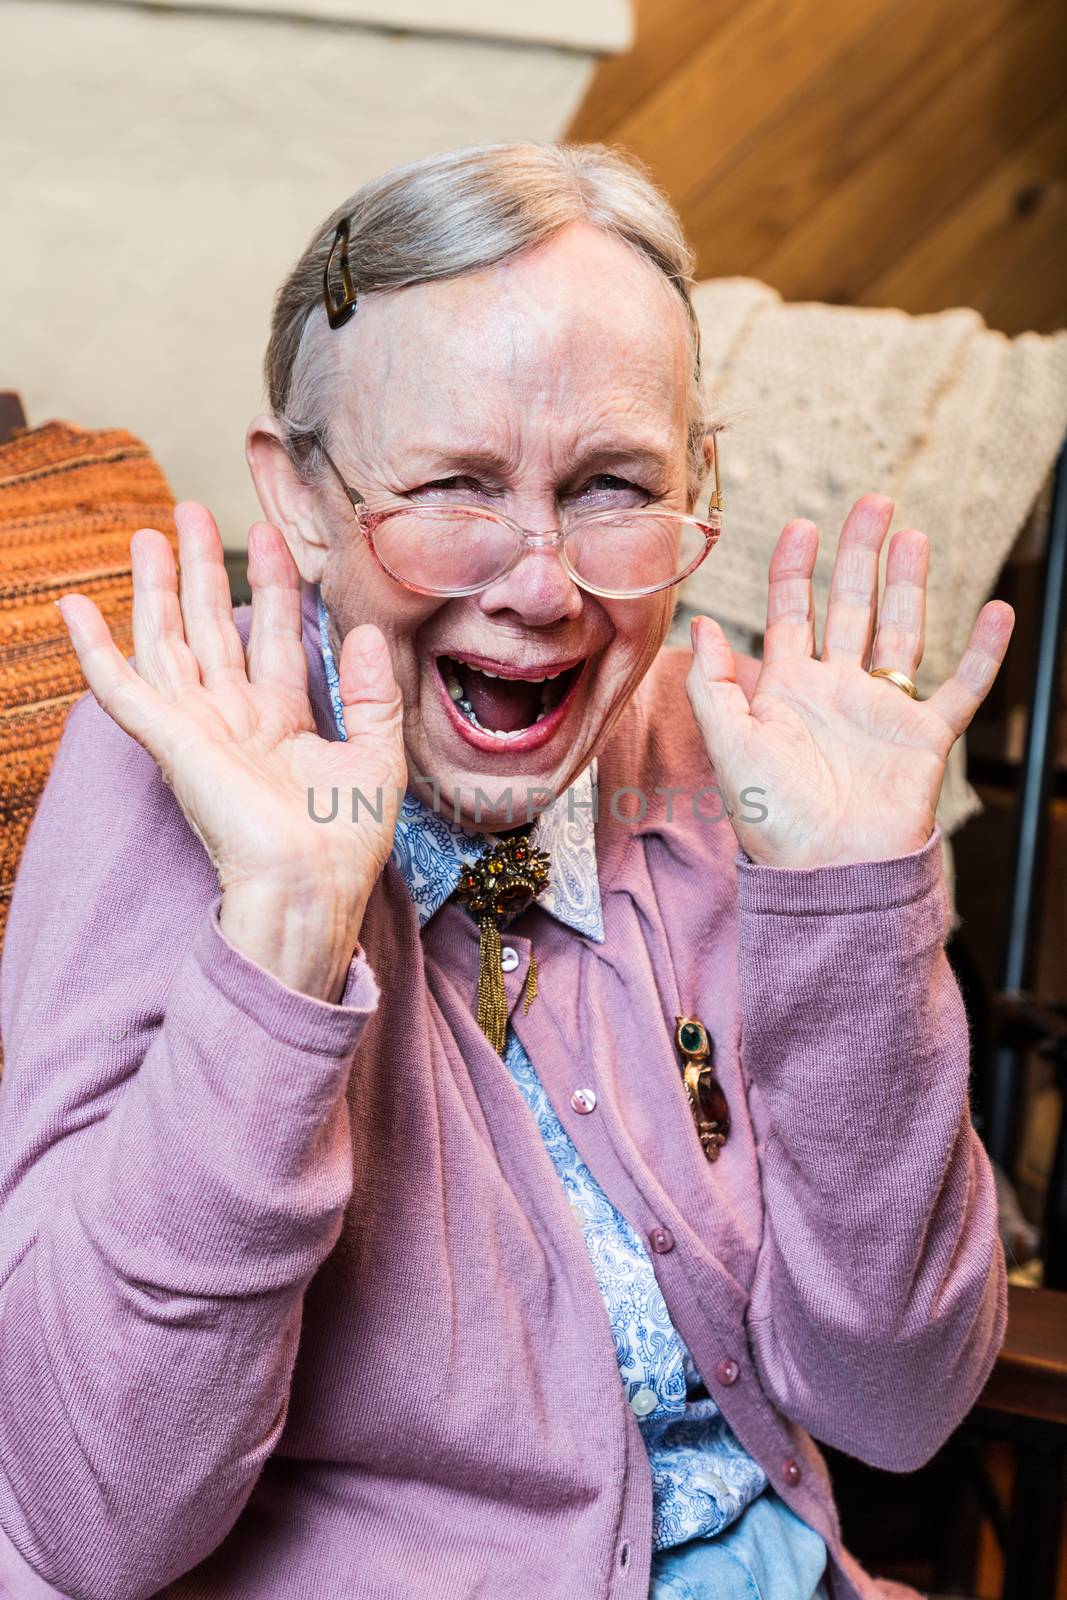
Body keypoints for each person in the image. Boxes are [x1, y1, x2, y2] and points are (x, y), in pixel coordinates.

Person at [0, 143, 1011, 1600]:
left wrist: (854, 915)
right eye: (455, 484)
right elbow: (88, 1519)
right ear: (297, 498)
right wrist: (279, 946)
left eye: (612, 486)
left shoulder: (733, 742)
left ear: (697, 483)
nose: (541, 586)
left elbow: (894, 1409)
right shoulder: (174, 765)